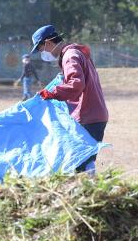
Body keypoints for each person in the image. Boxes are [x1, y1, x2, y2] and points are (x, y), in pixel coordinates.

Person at [31, 24, 108, 174]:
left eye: (41, 49)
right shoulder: (75, 53)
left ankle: (88, 193)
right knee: (85, 160)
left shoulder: (70, 56)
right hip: (94, 113)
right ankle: (89, 190)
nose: (42, 53)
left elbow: (76, 84)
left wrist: (53, 93)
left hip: (87, 115)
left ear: (47, 43)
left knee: (80, 162)